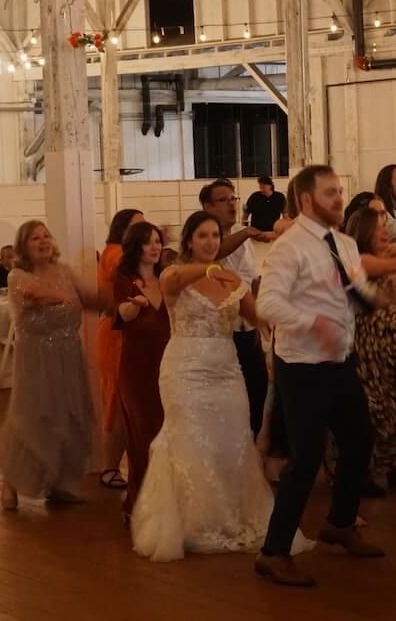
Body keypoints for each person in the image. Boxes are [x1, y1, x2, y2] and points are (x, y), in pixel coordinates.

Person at [130, 211, 312, 561]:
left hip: (226, 370)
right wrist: (212, 269)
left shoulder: (230, 280)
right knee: (190, 441)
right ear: (187, 241)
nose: (211, 242)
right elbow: (177, 277)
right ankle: (192, 523)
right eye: (203, 236)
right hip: (184, 370)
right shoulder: (173, 275)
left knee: (232, 441)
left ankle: (229, 518)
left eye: (215, 235)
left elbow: (259, 316)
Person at [256, 165, 383, 588]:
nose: (339, 199)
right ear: (307, 200)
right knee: (306, 459)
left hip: (340, 361)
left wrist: (368, 297)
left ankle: (340, 523)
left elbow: (353, 290)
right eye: (330, 193)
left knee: (360, 439)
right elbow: (267, 305)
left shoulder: (344, 244)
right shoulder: (289, 248)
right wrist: (314, 322)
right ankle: (273, 553)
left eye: (340, 191)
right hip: (303, 367)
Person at [0, 220, 109, 510]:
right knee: (32, 417)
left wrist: (119, 291)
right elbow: (33, 294)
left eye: (46, 236)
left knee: (69, 416)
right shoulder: (17, 275)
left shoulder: (65, 271)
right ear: (24, 246)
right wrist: (64, 297)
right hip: (36, 357)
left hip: (68, 353)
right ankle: (11, 481)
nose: (43, 241)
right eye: (35, 238)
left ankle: (61, 484)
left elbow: (92, 299)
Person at [344, 206, 396, 491]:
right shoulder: (359, 260)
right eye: (379, 228)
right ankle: (365, 470)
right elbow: (386, 268)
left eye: (386, 226)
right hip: (371, 344)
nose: (386, 232)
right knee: (376, 407)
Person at [201, 179, 270, 436]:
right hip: (220, 333)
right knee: (227, 399)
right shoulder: (206, 239)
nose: (231, 204)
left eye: (233, 199)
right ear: (207, 207)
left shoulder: (244, 235)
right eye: (223, 200)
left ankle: (247, 449)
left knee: (258, 389)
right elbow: (214, 254)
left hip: (248, 329)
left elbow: (252, 279)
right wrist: (246, 233)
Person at [113, 222, 170, 519]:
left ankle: (166, 503)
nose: (155, 247)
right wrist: (135, 306)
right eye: (148, 242)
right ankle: (139, 504)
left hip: (170, 366)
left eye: (157, 241)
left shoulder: (167, 277)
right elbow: (123, 313)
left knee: (167, 434)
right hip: (137, 369)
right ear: (136, 247)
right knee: (142, 436)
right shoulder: (125, 279)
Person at [96, 208, 144, 491]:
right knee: (117, 400)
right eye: (138, 227)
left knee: (128, 400)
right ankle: (109, 467)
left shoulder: (120, 252)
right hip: (116, 336)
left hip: (128, 335)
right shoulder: (115, 252)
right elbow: (129, 272)